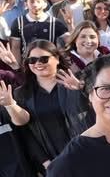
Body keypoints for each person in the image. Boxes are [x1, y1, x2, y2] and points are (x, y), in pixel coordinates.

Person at [12, 39, 92, 167]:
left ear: (57, 59)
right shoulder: (22, 93)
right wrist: (45, 162)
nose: (38, 63)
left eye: (44, 59)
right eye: (32, 60)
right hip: (54, 162)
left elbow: (97, 110)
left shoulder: (76, 81)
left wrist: (81, 90)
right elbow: (26, 133)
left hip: (87, 152)